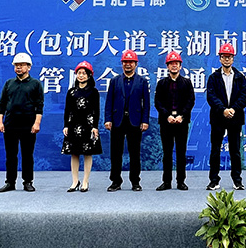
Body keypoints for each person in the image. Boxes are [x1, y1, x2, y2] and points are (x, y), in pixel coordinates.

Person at [0, 52, 44, 193]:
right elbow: (2, 104)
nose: (18, 68)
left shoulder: (35, 84)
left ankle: (28, 182)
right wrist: (0, 122)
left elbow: (39, 105)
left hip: (28, 125)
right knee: (11, 155)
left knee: (27, 155)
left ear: (29, 67)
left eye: (22, 65)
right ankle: (10, 182)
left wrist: (37, 123)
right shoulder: (9, 83)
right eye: (16, 65)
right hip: (10, 124)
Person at [104, 49, 150, 192]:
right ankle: (115, 181)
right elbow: (109, 102)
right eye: (125, 62)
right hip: (117, 121)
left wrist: (145, 120)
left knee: (135, 153)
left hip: (135, 121)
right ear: (122, 64)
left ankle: (135, 182)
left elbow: (146, 103)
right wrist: (108, 119)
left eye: (131, 62)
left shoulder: (142, 81)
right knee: (115, 153)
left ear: (136, 64)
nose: (128, 64)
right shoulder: (114, 81)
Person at [206, 43, 246, 191]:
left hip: (235, 118)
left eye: (229, 57)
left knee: (235, 151)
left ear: (233, 58)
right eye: (224, 56)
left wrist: (233, 109)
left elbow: (243, 98)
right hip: (218, 118)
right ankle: (214, 180)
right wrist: (223, 110)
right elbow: (211, 97)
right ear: (220, 58)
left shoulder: (240, 78)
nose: (226, 59)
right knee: (215, 150)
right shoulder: (213, 77)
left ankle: (237, 180)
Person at [154, 51, 195, 191]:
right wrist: (167, 115)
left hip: (181, 122)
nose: (174, 66)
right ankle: (166, 182)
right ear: (167, 66)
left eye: (176, 63)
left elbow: (190, 101)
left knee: (181, 153)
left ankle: (181, 181)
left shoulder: (187, 83)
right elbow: (158, 102)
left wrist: (182, 115)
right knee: (167, 153)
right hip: (166, 122)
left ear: (180, 66)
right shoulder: (161, 83)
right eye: (171, 64)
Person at [62, 61, 102, 192]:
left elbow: (96, 110)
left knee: (87, 153)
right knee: (74, 153)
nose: (81, 75)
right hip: (73, 125)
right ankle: (75, 181)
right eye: (79, 73)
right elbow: (67, 110)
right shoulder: (71, 92)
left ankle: (85, 181)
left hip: (88, 126)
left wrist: (95, 126)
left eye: (84, 73)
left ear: (89, 75)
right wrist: (66, 125)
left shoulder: (94, 92)